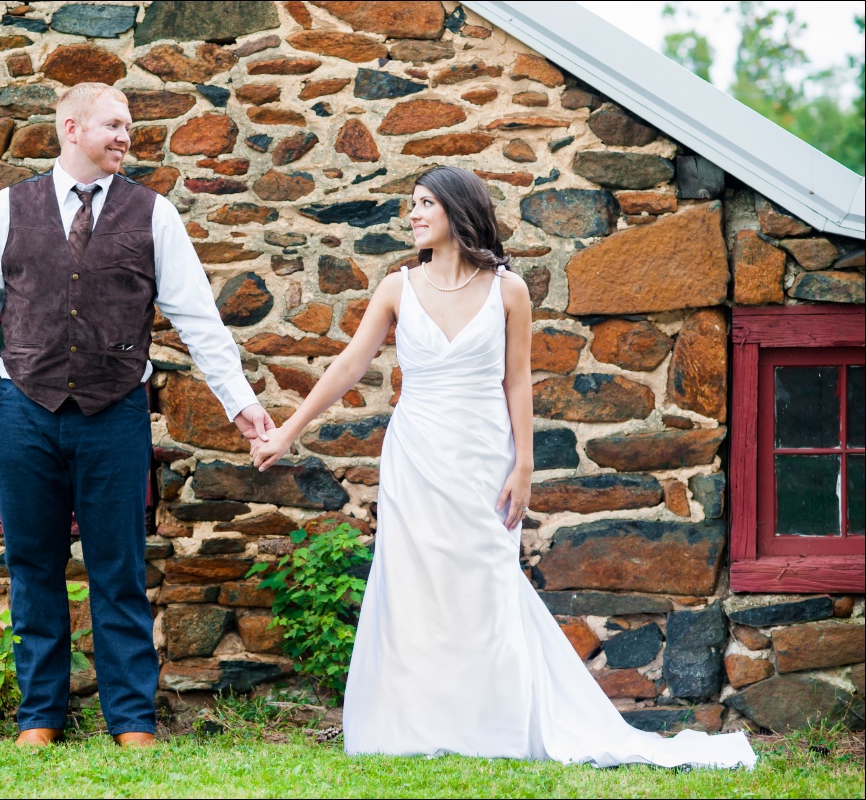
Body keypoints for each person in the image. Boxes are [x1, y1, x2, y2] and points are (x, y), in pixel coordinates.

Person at [250, 166, 755, 768]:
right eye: (411, 204)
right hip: (416, 454)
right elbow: (347, 367)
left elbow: (518, 382)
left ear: (458, 211)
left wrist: (524, 469)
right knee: (414, 586)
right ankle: (409, 725)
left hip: (485, 455)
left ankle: (493, 724)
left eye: (424, 204)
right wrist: (288, 429)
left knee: (485, 579)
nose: (412, 215)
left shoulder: (507, 289)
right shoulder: (396, 288)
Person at [0, 83, 274, 747]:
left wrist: (238, 399)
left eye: (129, 127)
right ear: (71, 127)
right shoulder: (9, 208)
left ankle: (131, 719)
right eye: (114, 125)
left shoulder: (154, 214)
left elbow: (197, 317)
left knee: (117, 567)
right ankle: (39, 717)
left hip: (115, 410)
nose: (126, 137)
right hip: (25, 407)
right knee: (33, 565)